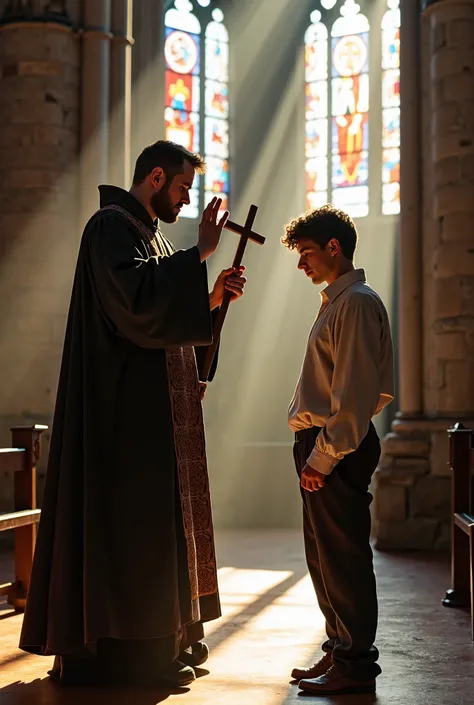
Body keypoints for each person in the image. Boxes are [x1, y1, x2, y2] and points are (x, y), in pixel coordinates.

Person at [19, 140, 247, 688]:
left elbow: (163, 315)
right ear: (155, 177)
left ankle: (164, 645)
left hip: (155, 419)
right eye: (182, 188)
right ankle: (126, 658)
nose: (185, 199)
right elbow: (136, 306)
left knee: (160, 531)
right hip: (121, 420)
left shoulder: (149, 234)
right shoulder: (109, 228)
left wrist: (211, 299)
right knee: (133, 533)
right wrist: (198, 258)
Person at [282, 205, 394, 696]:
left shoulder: (355, 303)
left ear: (335, 248)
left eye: (307, 253)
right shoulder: (336, 302)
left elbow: (353, 396)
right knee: (324, 556)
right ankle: (339, 649)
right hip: (322, 440)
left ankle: (354, 663)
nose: (301, 264)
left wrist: (323, 456)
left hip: (336, 444)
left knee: (343, 557)